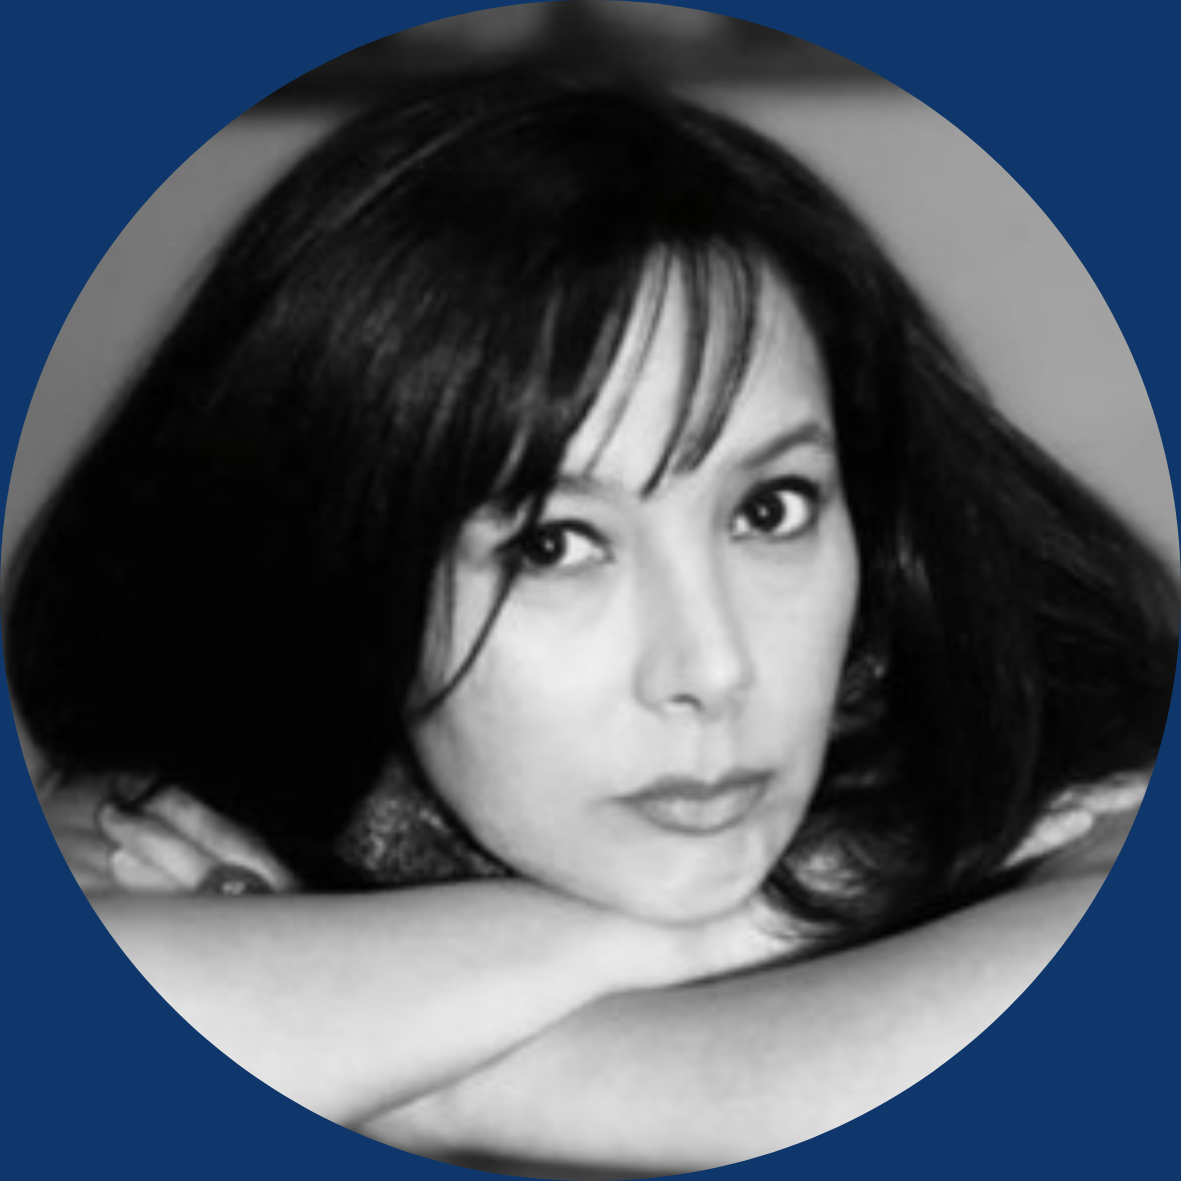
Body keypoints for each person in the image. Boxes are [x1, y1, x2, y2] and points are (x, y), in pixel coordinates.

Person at [5, 71, 1175, 1175]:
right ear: (346, 576)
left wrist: (393, 1061)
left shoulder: (1059, 776)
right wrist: (702, 932)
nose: (710, 667)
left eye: (768, 510)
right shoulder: (215, 809)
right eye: (553, 544)